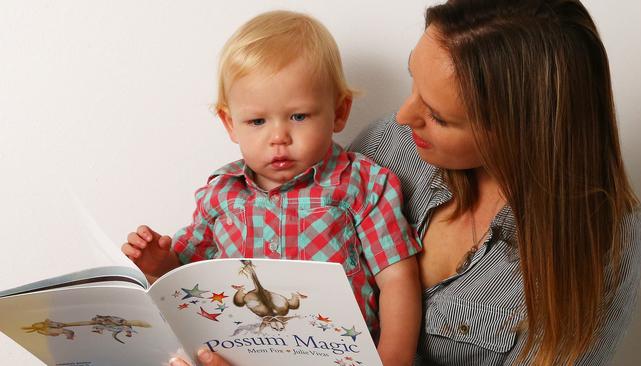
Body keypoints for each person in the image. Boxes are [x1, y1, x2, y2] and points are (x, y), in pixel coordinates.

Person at [168, 0, 641, 365]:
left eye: (438, 115)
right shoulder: (390, 146)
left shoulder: (599, 242)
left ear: (519, 131)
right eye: (412, 83)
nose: (403, 114)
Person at [121, 10, 422, 366]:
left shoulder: (362, 186)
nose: (278, 137)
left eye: (298, 116)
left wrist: (391, 361)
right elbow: (188, 280)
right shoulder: (222, 195)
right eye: (257, 121)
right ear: (230, 124)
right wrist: (160, 263)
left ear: (339, 112)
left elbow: (399, 281)